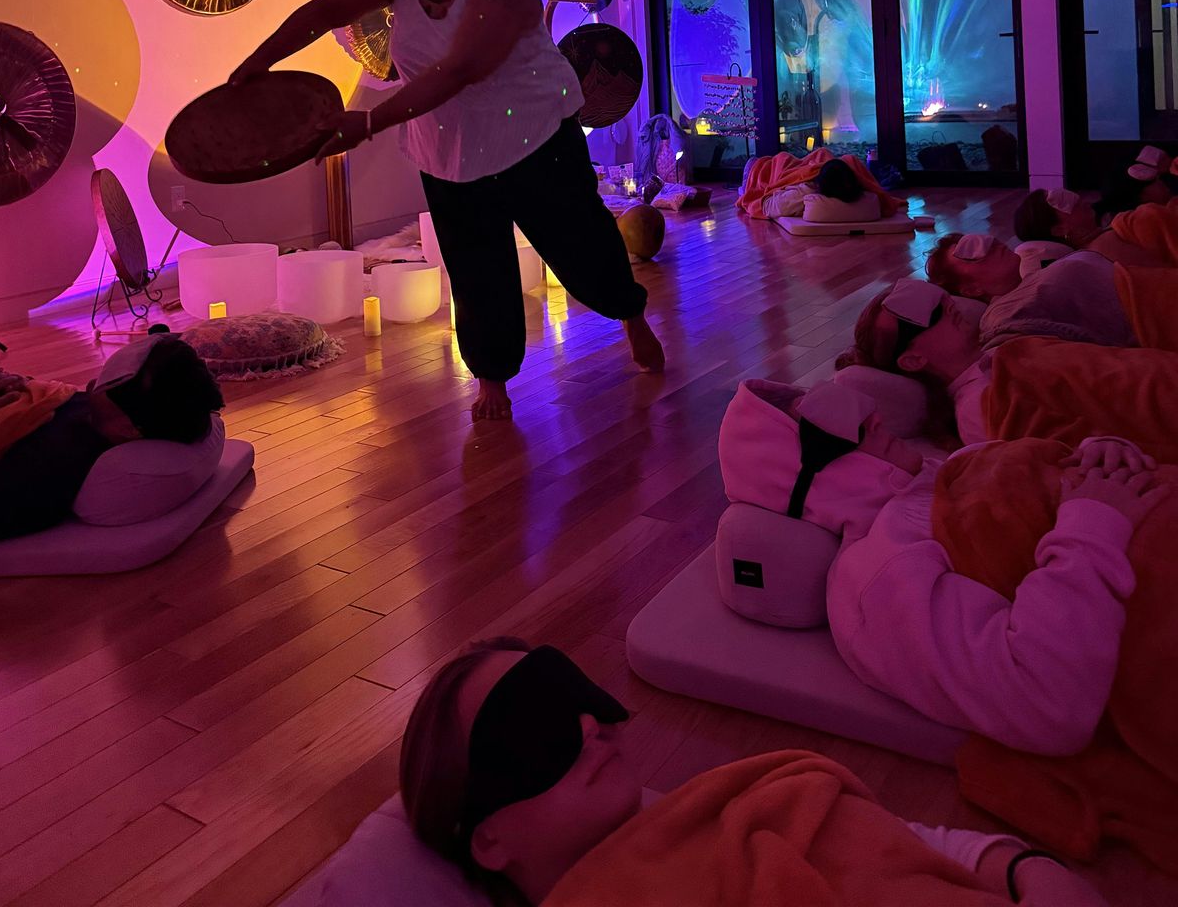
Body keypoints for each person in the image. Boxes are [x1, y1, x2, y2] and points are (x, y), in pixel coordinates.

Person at [231, 0, 663, 422]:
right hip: (449, 148)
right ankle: (492, 377)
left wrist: (368, 122)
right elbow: (324, 11)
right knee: (475, 264)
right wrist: (257, 63)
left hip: (533, 138)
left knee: (580, 246)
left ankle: (631, 314)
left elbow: (457, 70)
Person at [719, 379, 1174, 875]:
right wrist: (1094, 522)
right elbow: (1046, 699)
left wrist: (1101, 452)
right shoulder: (876, 576)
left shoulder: (947, 466)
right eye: (836, 422)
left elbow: (1047, 464)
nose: (872, 416)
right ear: (800, 468)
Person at [399, 635, 1109, 904]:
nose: (588, 722)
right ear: (488, 839)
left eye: (571, 696)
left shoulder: (733, 803)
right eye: (530, 727)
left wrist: (1025, 870)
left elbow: (908, 843)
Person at [0, 331, 223, 564]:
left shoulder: (47, 467)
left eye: (118, 379)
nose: (103, 377)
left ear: (129, 428)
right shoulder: (93, 411)